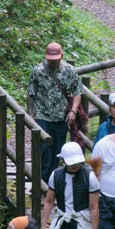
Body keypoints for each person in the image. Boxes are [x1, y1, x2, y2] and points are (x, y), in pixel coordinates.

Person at [27, 41, 83, 180]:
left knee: (57, 152)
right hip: (42, 116)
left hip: (61, 118)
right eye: (50, 60)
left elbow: (77, 92)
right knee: (44, 151)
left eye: (55, 60)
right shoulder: (38, 70)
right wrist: (30, 114)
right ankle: (40, 184)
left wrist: (73, 111)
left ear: (61, 56)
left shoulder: (69, 71)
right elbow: (31, 93)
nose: (53, 62)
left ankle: (51, 184)